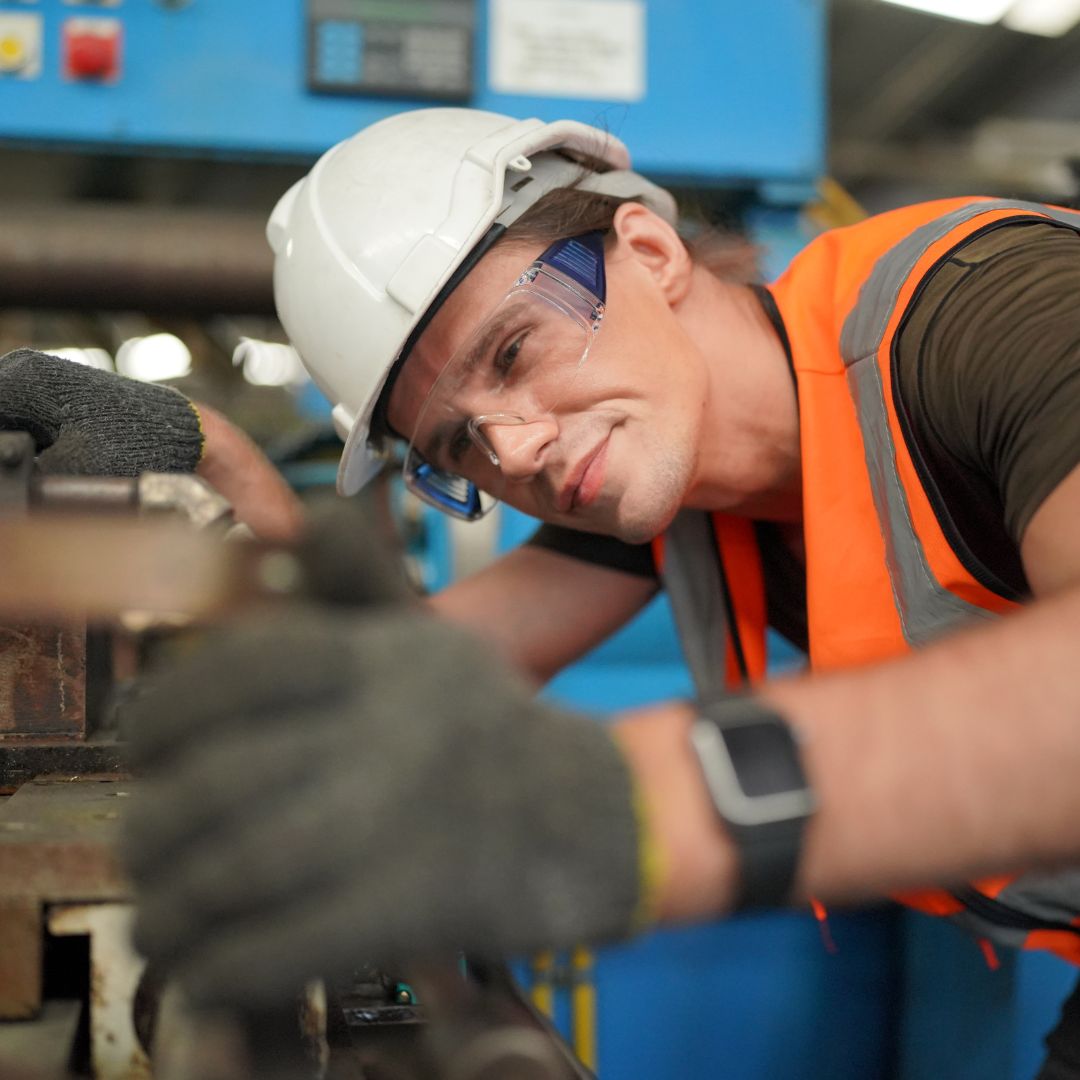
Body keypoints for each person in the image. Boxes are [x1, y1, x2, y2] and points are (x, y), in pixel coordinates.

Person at [8, 107, 1080, 1076]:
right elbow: (392, 680)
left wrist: (624, 807)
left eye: (515, 351)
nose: (513, 448)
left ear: (649, 252)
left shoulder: (995, 316)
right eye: (457, 443)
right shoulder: (679, 486)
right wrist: (219, 460)